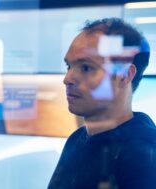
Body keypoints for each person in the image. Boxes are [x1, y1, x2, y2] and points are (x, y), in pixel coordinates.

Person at [48, 18, 156, 189]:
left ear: (124, 75)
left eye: (85, 68)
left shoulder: (144, 153)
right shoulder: (77, 139)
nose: (67, 79)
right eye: (69, 66)